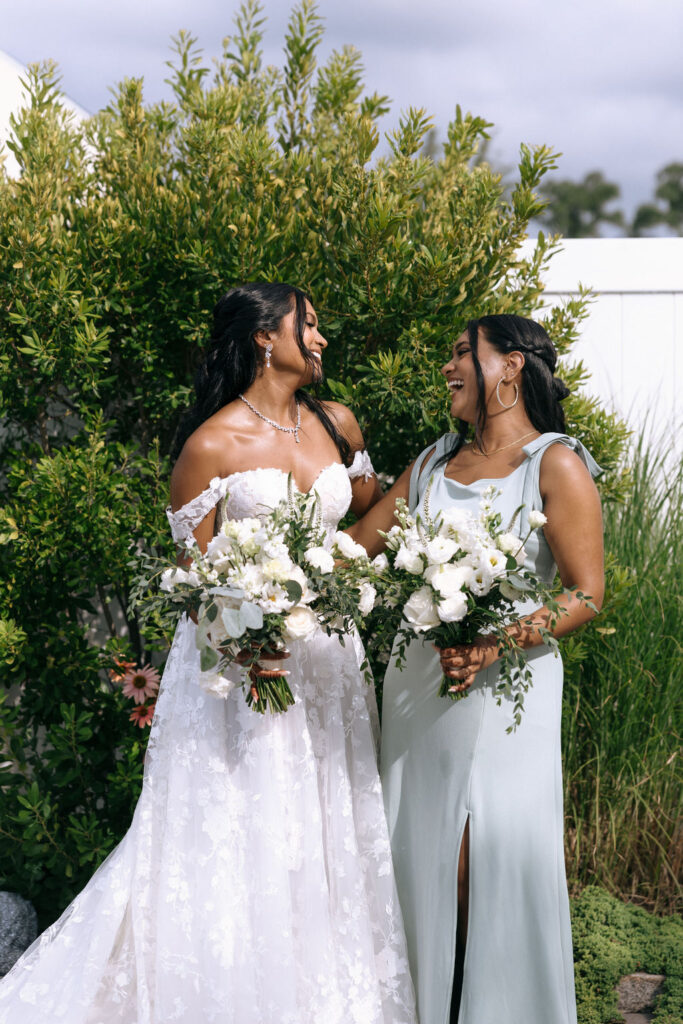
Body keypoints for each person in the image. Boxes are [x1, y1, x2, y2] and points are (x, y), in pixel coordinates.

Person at [0, 283, 417, 1024]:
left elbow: (366, 519)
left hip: (326, 661)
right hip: (242, 668)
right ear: (266, 337)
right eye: (308, 326)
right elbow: (194, 584)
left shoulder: (337, 422)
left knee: (326, 821)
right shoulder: (211, 445)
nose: (320, 340)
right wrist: (251, 639)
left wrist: (430, 472)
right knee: (245, 821)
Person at [347, 314, 604, 1024]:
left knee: (484, 860)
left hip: (506, 690)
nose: (448, 367)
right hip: (417, 684)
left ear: (511, 366)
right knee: (416, 850)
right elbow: (355, 550)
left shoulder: (554, 463)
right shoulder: (433, 462)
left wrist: (497, 643)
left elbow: (584, 592)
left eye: (462, 352)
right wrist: (262, 581)